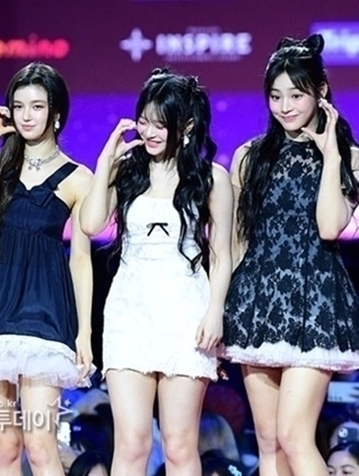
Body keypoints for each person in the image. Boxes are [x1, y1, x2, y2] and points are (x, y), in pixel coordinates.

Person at [0, 61, 94, 475]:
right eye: (19, 106)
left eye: (37, 106)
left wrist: (84, 332)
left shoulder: (78, 178)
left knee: (41, 445)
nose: (26, 116)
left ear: (56, 114)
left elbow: (80, 259)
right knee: (4, 444)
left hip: (43, 313)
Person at [80, 69, 233, 475]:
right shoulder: (128, 170)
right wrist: (105, 161)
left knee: (179, 445)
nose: (148, 132)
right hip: (130, 313)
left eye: (159, 124)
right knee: (131, 443)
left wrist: (215, 311)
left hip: (185, 315)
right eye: (143, 121)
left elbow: (221, 255)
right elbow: (91, 223)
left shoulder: (211, 178)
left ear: (187, 126)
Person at [222, 33, 359, 476]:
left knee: (295, 436)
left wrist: (330, 154)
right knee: (268, 442)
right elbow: (237, 242)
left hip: (313, 304)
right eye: (276, 96)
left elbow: (329, 226)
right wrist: (221, 307)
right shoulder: (249, 157)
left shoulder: (349, 157)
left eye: (296, 95)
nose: (284, 107)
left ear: (321, 93)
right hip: (258, 303)